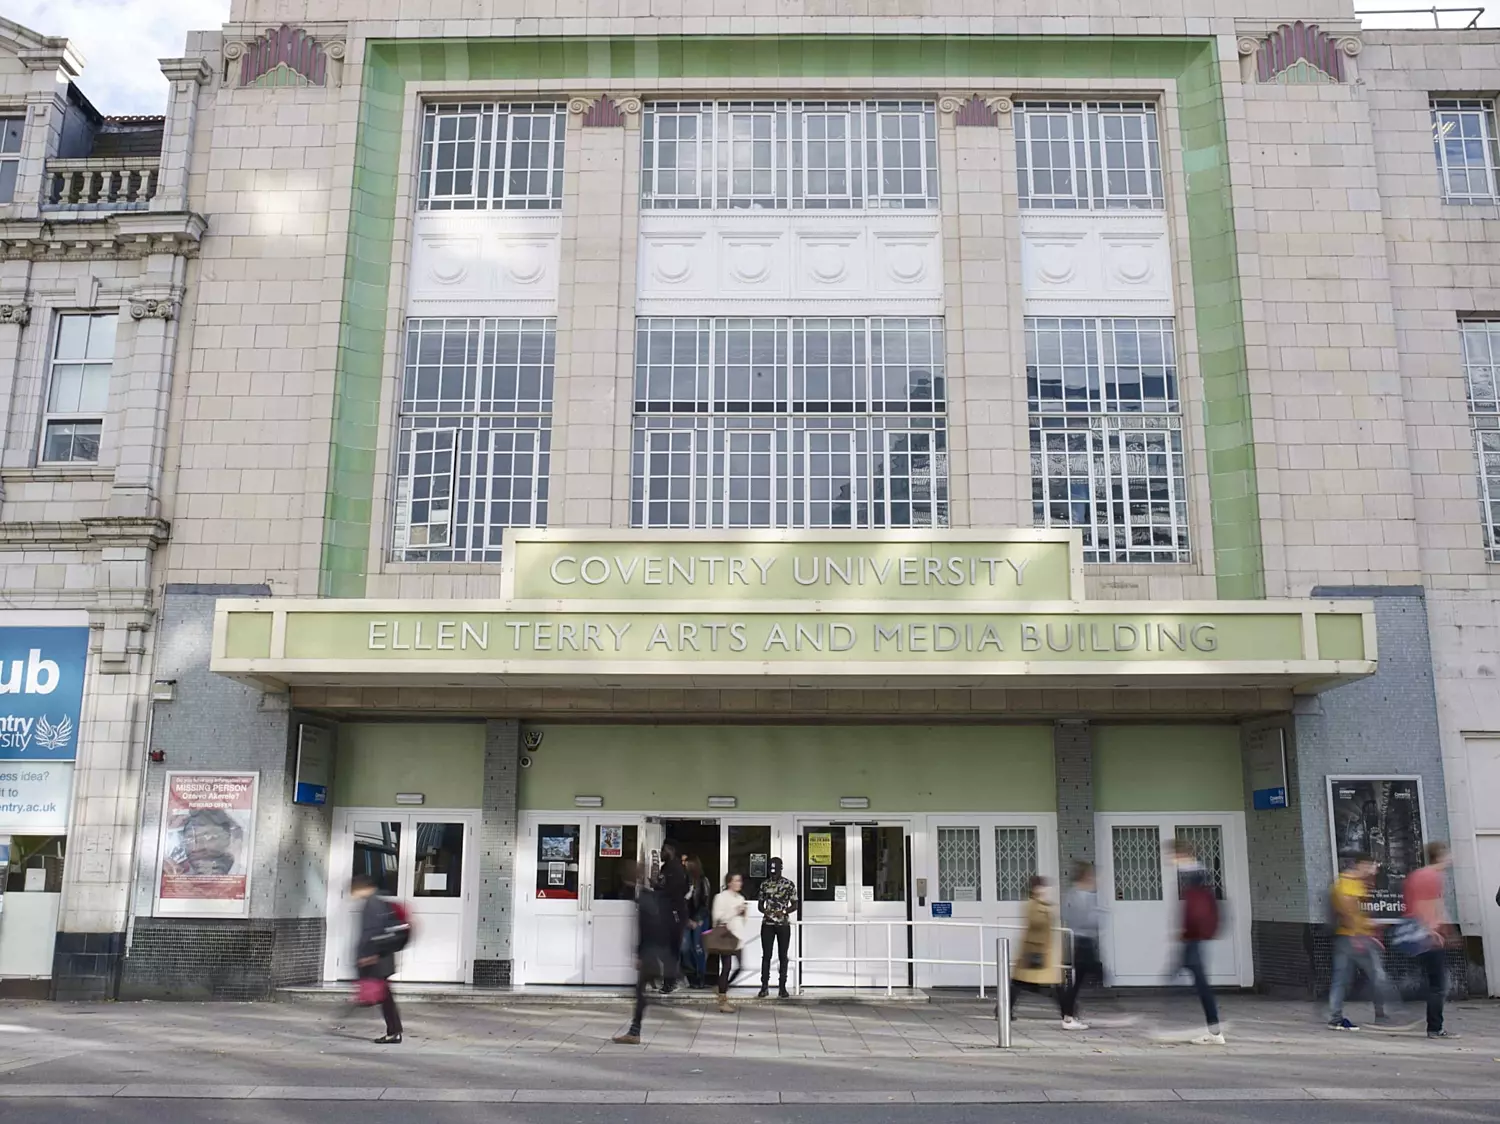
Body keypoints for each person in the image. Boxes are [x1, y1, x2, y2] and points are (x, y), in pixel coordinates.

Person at [1326, 854, 1401, 1031]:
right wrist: (1358, 935)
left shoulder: (1359, 883)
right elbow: (1346, 910)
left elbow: (1360, 912)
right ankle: (1386, 1013)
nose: (1372, 868)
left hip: (1356, 937)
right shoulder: (1346, 883)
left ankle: (1337, 1017)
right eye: (1369, 865)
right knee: (1376, 976)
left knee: (1343, 978)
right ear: (1359, 865)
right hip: (1353, 938)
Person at [613, 867, 678, 1044]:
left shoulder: (645, 898)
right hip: (659, 951)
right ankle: (635, 1030)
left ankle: (635, 1031)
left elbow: (647, 928)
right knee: (641, 991)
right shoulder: (655, 897)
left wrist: (640, 953)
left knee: (641, 992)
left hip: (651, 952)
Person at [1172, 838, 1225, 1046]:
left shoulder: (1193, 875)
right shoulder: (1197, 874)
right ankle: (1214, 1030)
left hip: (1193, 937)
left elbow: (1194, 909)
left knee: (1197, 982)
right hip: (1194, 935)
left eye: (1173, 856)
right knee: (1190, 977)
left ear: (1181, 855)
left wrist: (1186, 931)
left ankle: (1214, 1031)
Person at [1403, 841, 1457, 1040]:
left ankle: (1433, 1024)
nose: (1451, 858)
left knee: (1434, 981)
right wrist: (1433, 931)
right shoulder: (1432, 876)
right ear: (1440, 856)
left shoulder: (1418, 875)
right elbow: (1426, 906)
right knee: (1438, 984)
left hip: (1419, 933)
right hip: (1428, 935)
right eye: (1448, 854)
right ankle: (1435, 1028)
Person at [351, 872, 403, 1045]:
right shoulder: (378, 901)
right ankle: (394, 1031)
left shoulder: (372, 904)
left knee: (385, 996)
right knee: (385, 996)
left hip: (376, 957)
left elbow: (371, 932)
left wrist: (366, 956)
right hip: (381, 956)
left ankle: (394, 1031)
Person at [1009, 875, 1062, 1019]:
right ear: (1035, 889)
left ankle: (1003, 1010)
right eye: (1042, 887)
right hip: (1035, 950)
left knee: (1020, 983)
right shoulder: (1034, 905)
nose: (1045, 890)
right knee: (1051, 986)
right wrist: (1048, 909)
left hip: (1038, 950)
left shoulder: (1040, 905)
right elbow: (1037, 925)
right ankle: (1069, 1012)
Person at [1060, 861, 1104, 1030]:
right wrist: (1098, 915)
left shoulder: (1081, 894)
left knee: (1079, 980)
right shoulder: (1077, 895)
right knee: (1090, 975)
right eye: (1091, 876)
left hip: (1083, 939)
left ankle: (1068, 1014)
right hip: (1081, 940)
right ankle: (1068, 1015)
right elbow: (1080, 919)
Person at [757, 857, 797, 999]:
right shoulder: (764, 884)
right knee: (766, 955)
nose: (773, 874)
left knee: (782, 956)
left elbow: (795, 904)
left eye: (776, 871)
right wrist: (765, 911)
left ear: (781, 869)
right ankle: (764, 987)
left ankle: (782, 988)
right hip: (768, 924)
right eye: (771, 871)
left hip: (783, 924)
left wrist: (784, 911)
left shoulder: (788, 884)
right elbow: (760, 904)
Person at [711, 872, 750, 1013]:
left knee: (740, 967)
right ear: (729, 882)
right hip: (726, 937)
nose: (739, 883)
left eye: (740, 880)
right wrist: (735, 911)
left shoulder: (741, 898)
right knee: (726, 967)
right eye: (736, 880)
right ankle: (722, 1000)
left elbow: (742, 921)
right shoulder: (720, 897)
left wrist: (744, 913)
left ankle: (722, 988)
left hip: (737, 938)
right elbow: (718, 917)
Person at [655, 843, 690, 994]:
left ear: (670, 851)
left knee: (671, 949)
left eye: (663, 850)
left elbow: (678, 889)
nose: (661, 853)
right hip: (665, 912)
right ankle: (675, 978)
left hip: (675, 912)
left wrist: (661, 889)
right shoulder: (665, 868)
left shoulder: (676, 868)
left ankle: (671, 982)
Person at [682, 856, 711, 987]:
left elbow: (705, 902)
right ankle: (691, 973)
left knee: (698, 947)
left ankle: (700, 977)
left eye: (687, 864)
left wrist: (697, 920)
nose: (684, 866)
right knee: (684, 948)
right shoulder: (684, 881)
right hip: (686, 919)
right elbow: (681, 901)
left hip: (700, 918)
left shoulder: (703, 881)